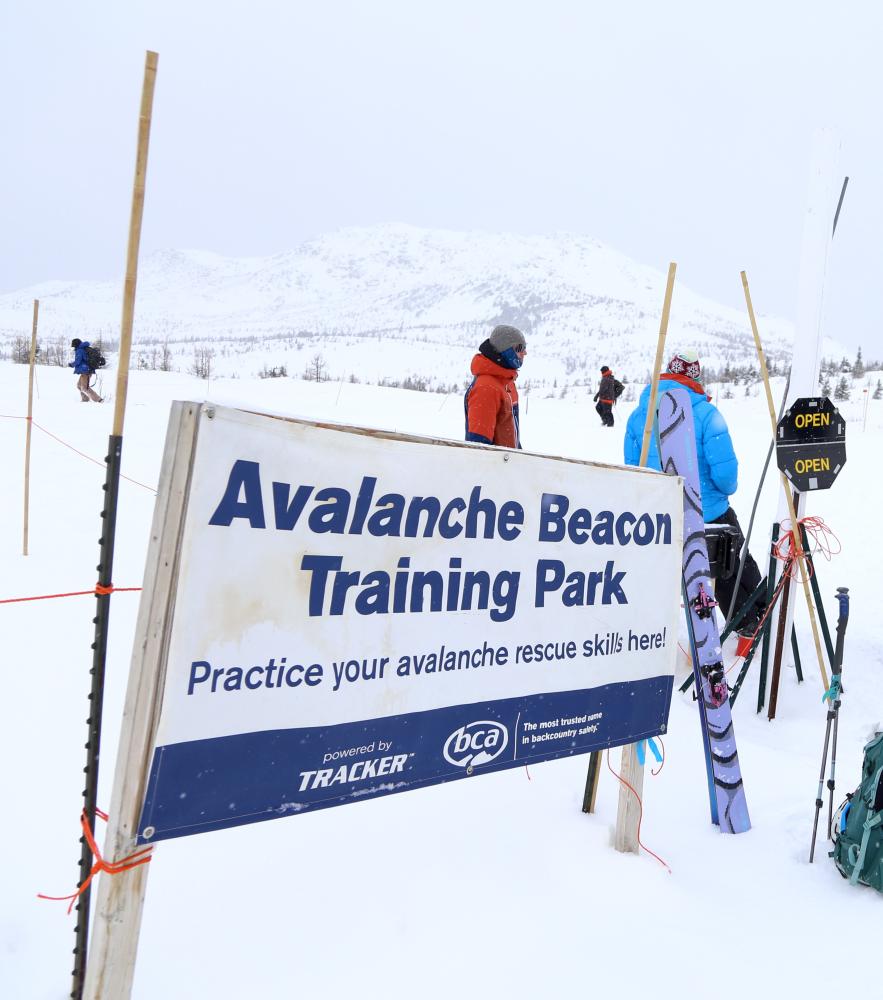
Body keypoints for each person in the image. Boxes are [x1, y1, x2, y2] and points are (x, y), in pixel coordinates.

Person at [623, 349, 765, 635]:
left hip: (659, 514)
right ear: (695, 377)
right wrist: (723, 491)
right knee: (731, 563)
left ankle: (649, 633)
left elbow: (633, 469)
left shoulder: (640, 416)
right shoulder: (706, 414)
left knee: (664, 573)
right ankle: (751, 619)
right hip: (707, 513)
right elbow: (726, 477)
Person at [464, 324, 527, 448]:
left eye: (525, 347)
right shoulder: (486, 388)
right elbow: (478, 446)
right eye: (520, 348)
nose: (525, 352)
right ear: (505, 350)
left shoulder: (507, 383)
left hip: (508, 462)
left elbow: (511, 435)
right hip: (495, 465)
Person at [69, 338, 103, 403]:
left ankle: (99, 400)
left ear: (76, 345)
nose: (73, 347)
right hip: (85, 370)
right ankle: (85, 400)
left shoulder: (80, 350)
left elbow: (78, 361)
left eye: (74, 346)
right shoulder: (83, 349)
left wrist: (71, 364)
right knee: (79, 386)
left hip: (86, 371)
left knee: (84, 388)